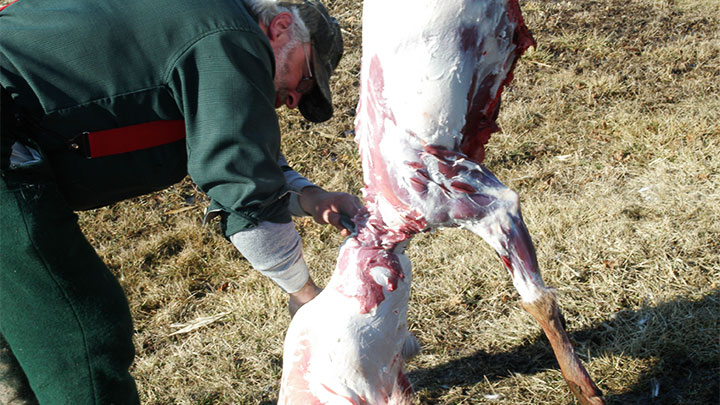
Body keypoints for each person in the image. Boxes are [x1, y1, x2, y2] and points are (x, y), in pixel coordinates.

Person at [0, 0, 361, 403]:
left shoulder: (205, 23)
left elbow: (240, 149)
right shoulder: (230, 37)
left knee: (26, 330)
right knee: (79, 332)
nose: (294, 99)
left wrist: (312, 197)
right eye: (305, 79)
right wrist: (308, 296)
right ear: (279, 28)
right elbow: (243, 188)